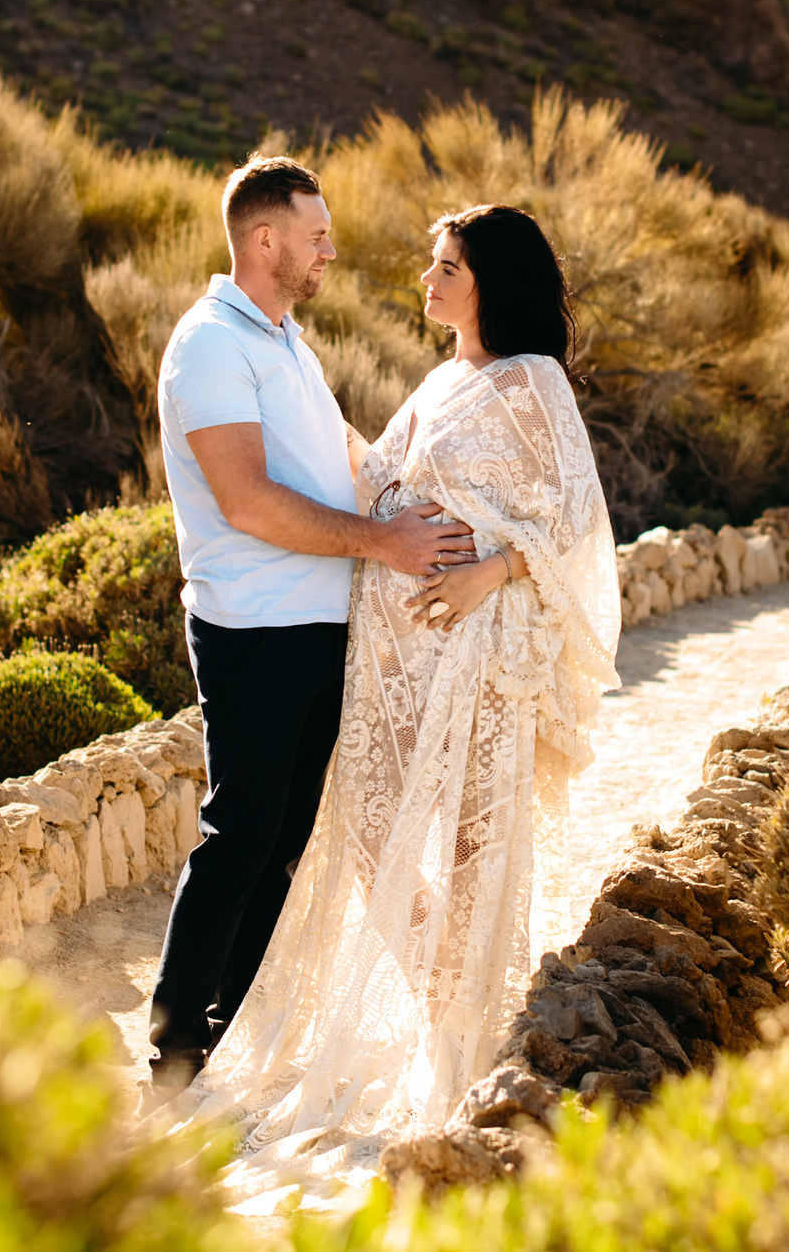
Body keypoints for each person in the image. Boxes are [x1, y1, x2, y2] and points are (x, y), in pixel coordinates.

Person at [178, 200, 620, 1155]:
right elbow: (375, 474)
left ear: (490, 283)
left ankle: (460, 1044)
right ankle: (446, 1004)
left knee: (468, 849)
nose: (427, 278)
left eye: (447, 266)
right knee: (371, 828)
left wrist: (487, 573)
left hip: (477, 656)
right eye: (433, 262)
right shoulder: (440, 379)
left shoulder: (532, 380)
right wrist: (292, 409)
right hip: (393, 665)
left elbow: (579, 520)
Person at [147, 156, 479, 1096]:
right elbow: (247, 500)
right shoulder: (212, 344)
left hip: (315, 626)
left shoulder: (287, 342)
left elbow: (343, 461)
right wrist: (383, 541)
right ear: (265, 240)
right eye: (316, 234)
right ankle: (170, 1058)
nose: (330, 248)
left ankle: (227, 1039)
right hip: (253, 629)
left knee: (281, 845)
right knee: (240, 838)